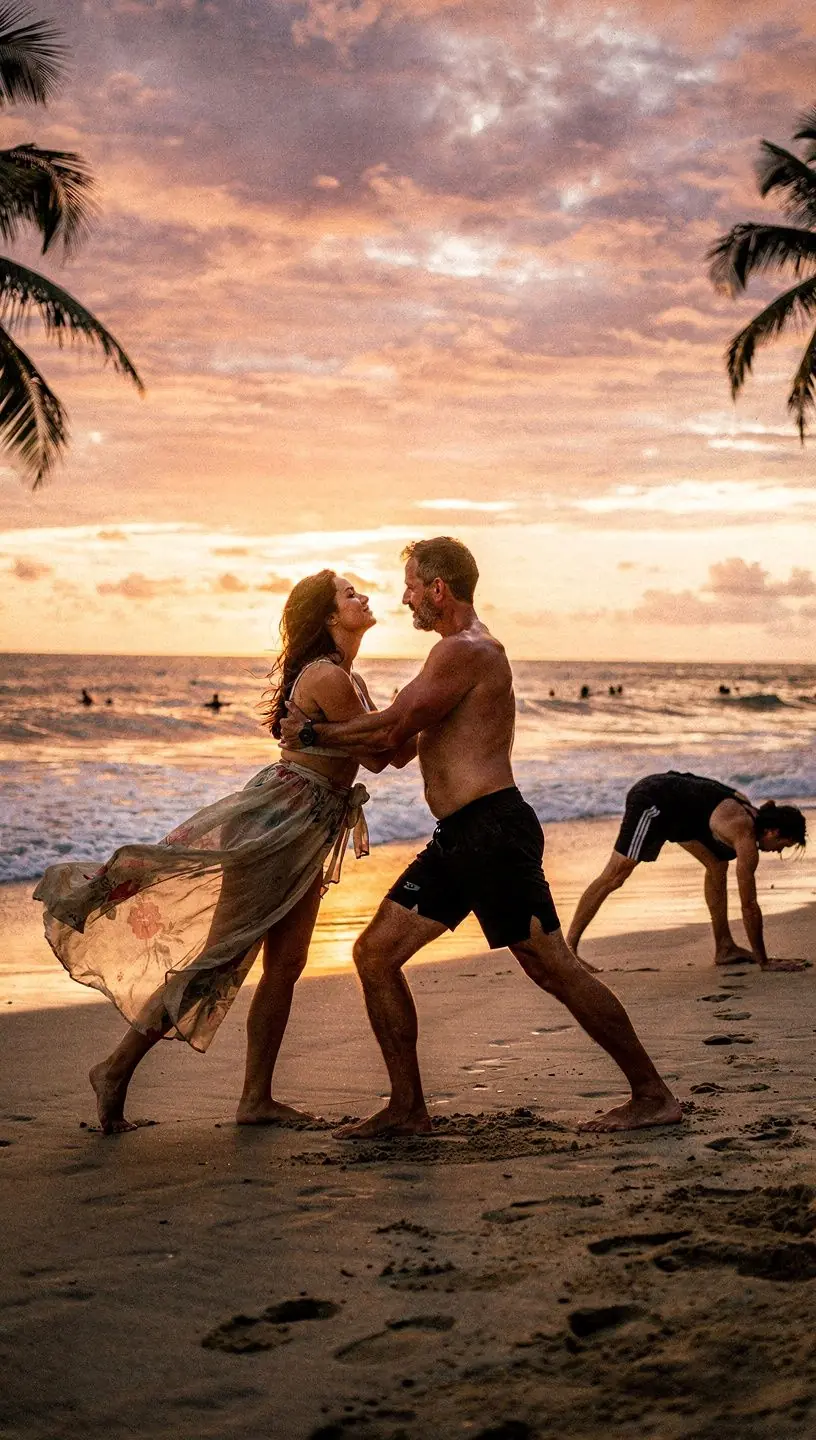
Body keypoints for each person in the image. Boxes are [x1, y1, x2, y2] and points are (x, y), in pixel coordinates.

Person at [282, 538, 681, 1137]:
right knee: (375, 955)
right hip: (463, 835)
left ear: (438, 589)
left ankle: (652, 1094)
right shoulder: (454, 653)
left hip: (491, 832)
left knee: (553, 968)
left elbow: (390, 729)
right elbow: (397, 746)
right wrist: (336, 725)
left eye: (412, 586)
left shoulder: (466, 650)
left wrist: (312, 735)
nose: (405, 598)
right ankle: (408, 1109)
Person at [35, 573, 413, 1133]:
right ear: (329, 616)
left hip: (309, 824)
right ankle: (114, 1070)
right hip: (282, 820)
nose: (362, 597)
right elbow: (382, 752)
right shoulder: (329, 676)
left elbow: (388, 752)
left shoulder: (348, 678)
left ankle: (256, 1099)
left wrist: (412, 716)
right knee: (221, 956)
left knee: (285, 966)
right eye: (348, 594)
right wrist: (421, 710)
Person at [566, 771, 808, 972]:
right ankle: (568, 952)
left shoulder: (748, 811)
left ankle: (724, 947)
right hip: (653, 800)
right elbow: (749, 905)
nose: (778, 851)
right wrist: (764, 961)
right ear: (773, 832)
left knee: (717, 863)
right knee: (615, 875)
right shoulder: (743, 831)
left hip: (681, 817)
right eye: (783, 845)